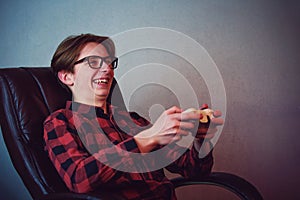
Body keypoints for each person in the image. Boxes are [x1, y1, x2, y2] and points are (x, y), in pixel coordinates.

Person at [43, 33, 224, 200]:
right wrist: (145, 140)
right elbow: (79, 180)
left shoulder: (132, 120)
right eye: (94, 62)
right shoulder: (60, 122)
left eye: (108, 62)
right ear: (67, 76)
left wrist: (201, 139)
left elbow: (195, 171)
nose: (107, 69)